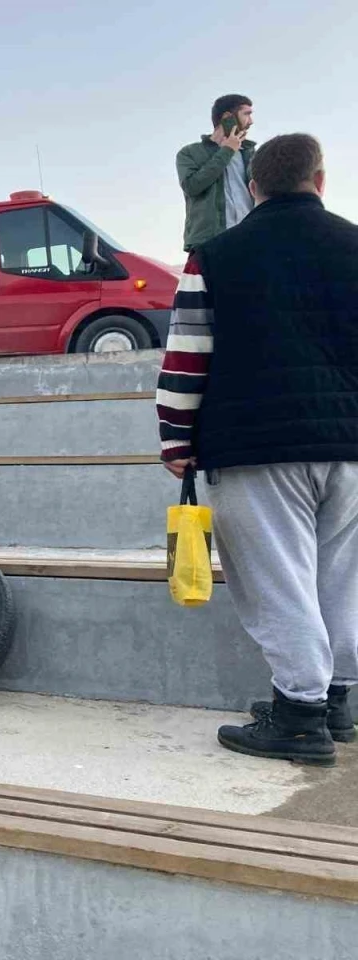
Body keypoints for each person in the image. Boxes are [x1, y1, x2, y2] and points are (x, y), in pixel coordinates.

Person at [156, 133, 358, 766]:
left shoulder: (216, 254)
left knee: (280, 583)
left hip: (255, 443)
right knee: (342, 579)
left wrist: (176, 437)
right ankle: (336, 702)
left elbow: (187, 356)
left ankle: (299, 718)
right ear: (319, 182)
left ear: (251, 186)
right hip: (351, 443)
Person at [177, 95, 256, 252]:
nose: (251, 121)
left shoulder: (251, 154)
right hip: (209, 244)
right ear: (227, 117)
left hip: (249, 242)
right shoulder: (190, 153)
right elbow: (192, 186)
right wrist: (227, 150)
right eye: (246, 114)